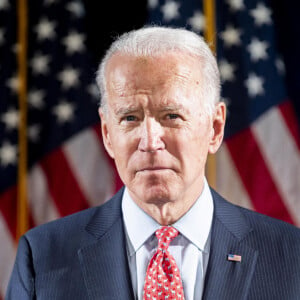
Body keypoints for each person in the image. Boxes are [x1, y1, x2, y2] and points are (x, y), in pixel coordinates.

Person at [6, 26, 300, 300]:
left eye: (171, 116)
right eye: (130, 118)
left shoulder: (290, 256)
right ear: (108, 134)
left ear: (215, 128)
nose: (149, 141)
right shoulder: (42, 258)